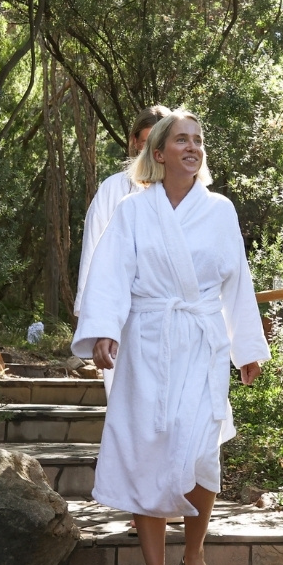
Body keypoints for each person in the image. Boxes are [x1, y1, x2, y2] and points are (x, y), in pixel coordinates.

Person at [72, 110, 269, 565]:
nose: (193, 147)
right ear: (157, 153)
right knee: (150, 451)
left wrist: (246, 347)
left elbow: (237, 281)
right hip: (148, 341)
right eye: (182, 139)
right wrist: (102, 331)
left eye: (198, 140)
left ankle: (196, 555)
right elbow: (111, 273)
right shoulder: (134, 211)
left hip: (201, 345)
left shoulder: (220, 210)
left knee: (203, 450)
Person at [74, 105, 170, 394]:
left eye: (160, 142)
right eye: (146, 143)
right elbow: (93, 252)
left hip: (172, 318)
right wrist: (96, 321)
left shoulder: (187, 194)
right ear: (134, 143)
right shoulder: (113, 190)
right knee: (127, 405)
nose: (152, 151)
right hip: (122, 316)